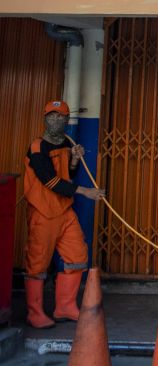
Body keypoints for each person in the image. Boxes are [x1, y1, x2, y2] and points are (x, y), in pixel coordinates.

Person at [22, 100, 105, 329]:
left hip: (64, 210)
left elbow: (68, 173)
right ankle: (35, 312)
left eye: (61, 117)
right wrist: (84, 191)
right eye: (52, 116)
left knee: (77, 254)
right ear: (45, 118)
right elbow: (49, 179)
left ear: (67, 121)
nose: (56, 120)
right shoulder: (38, 147)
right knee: (37, 264)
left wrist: (75, 159)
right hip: (43, 212)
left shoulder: (66, 145)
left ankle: (65, 306)